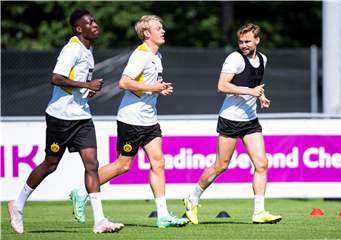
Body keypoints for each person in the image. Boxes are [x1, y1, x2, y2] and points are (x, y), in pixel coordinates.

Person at [7, 10, 124, 234]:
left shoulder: (90, 50)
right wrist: (86, 85)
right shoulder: (72, 49)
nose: (95, 25)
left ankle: (99, 220)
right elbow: (56, 78)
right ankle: (17, 205)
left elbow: (77, 85)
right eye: (89, 23)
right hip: (60, 117)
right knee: (50, 164)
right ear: (79, 29)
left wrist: (87, 92)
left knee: (92, 165)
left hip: (82, 117)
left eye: (95, 21)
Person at [69, 15, 189, 228]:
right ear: (146, 33)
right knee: (123, 166)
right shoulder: (141, 54)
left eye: (162, 27)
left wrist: (160, 89)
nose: (163, 31)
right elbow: (124, 83)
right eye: (158, 28)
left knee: (158, 162)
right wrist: (154, 88)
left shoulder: (156, 55)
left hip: (149, 120)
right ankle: (81, 192)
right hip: (131, 120)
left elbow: (144, 85)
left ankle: (162, 215)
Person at [183, 23, 282, 224]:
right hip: (230, 119)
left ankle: (259, 212)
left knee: (262, 163)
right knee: (221, 165)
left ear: (257, 40)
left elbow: (255, 86)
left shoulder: (263, 59)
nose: (244, 45)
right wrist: (251, 92)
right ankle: (192, 198)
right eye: (241, 41)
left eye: (247, 41)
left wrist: (261, 96)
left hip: (251, 120)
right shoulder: (234, 59)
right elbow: (222, 86)